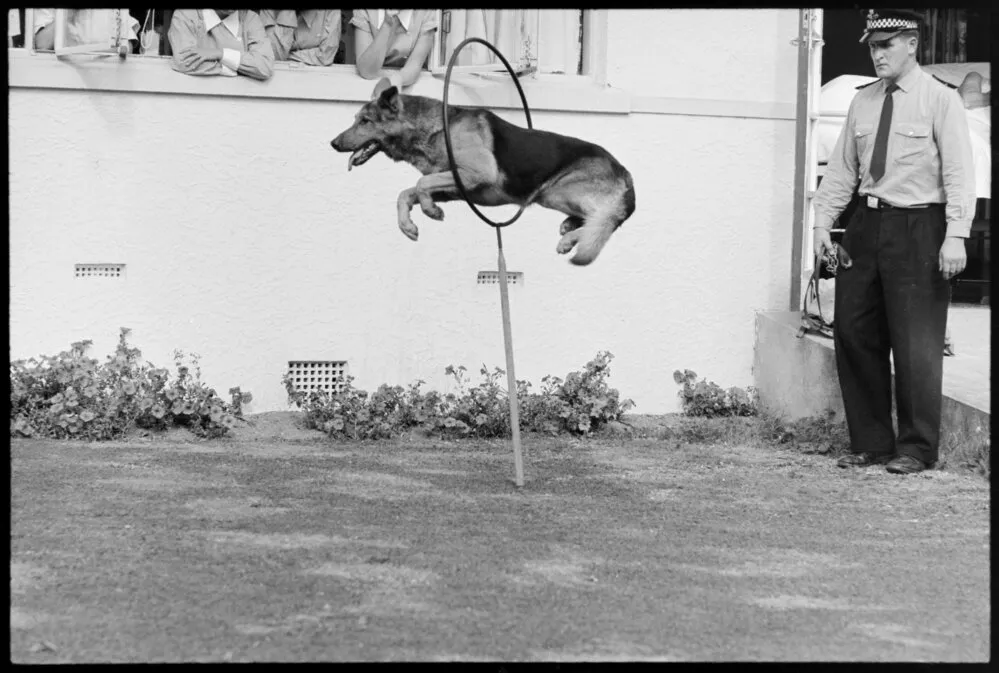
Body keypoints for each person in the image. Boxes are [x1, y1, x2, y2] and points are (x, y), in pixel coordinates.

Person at [812, 9, 976, 475]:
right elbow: (844, 169)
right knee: (854, 331)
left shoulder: (940, 100)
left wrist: (956, 236)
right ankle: (871, 442)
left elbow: (960, 174)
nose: (877, 54)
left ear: (912, 44)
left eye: (886, 45)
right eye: (872, 46)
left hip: (920, 227)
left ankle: (916, 449)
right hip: (866, 225)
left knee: (914, 344)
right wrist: (823, 223)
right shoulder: (864, 101)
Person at [168, 9, 274, 81]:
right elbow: (184, 61)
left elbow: (264, 66)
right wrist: (232, 68)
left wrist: (220, 54)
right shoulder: (186, 14)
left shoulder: (250, 18)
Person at [350, 9, 437, 94]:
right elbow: (366, 70)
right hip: (366, 88)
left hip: (408, 91)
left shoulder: (426, 12)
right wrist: (387, 23)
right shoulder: (365, 11)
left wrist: (397, 79)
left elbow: (414, 65)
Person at [32, 9, 140, 52]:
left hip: (104, 78)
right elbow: (42, 44)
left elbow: (127, 47)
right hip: (62, 79)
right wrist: (68, 13)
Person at [260, 10, 342, 66]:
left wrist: (288, 55)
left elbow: (325, 57)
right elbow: (272, 57)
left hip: (315, 79)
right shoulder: (269, 11)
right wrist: (287, 13)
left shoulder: (331, 11)